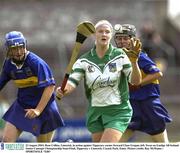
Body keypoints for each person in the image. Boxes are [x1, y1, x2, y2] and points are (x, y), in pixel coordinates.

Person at [56, 20, 142, 142]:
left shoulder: (120, 56)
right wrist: (64, 89)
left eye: (107, 32)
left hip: (118, 111)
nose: (104, 34)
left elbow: (136, 81)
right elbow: (73, 81)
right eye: (100, 31)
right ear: (94, 35)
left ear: (111, 35)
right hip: (95, 112)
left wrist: (134, 62)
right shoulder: (84, 60)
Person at [0, 31, 64, 142]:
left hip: (44, 108)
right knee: (6, 144)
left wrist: (38, 110)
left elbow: (50, 87)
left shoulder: (36, 63)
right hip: (22, 105)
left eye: (21, 47)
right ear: (9, 49)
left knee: (42, 149)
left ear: (25, 45)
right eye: (15, 49)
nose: (19, 52)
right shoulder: (8, 64)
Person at [113, 24, 172, 142]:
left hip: (148, 104)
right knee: (116, 144)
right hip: (130, 104)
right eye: (119, 38)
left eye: (125, 38)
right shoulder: (117, 58)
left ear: (133, 39)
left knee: (163, 145)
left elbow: (157, 73)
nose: (122, 41)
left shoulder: (140, 56)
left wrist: (138, 84)